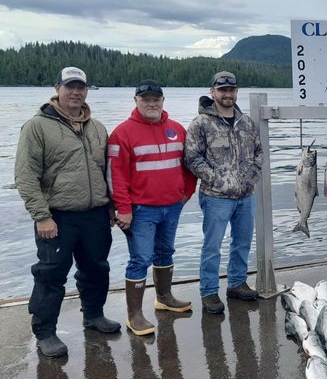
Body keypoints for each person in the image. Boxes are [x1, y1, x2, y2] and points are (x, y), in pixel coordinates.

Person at [15, 67, 120, 357]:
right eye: (70, 86)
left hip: (95, 214)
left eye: (81, 87)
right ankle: (46, 332)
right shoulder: (37, 126)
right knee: (50, 275)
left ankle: (94, 315)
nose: (76, 92)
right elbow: (25, 176)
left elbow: (106, 172)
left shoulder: (97, 127)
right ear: (57, 88)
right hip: (57, 217)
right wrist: (41, 216)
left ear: (87, 91)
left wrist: (111, 206)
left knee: (97, 268)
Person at [107, 80, 197, 336]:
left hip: (172, 206)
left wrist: (186, 193)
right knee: (140, 259)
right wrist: (122, 208)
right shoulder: (122, 133)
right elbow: (116, 176)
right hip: (141, 210)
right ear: (135, 101)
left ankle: (164, 297)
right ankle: (134, 314)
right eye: (145, 99)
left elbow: (189, 166)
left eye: (156, 99)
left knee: (165, 252)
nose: (151, 103)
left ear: (163, 101)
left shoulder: (177, 130)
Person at [184, 71, 263, 314]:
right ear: (213, 92)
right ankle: (209, 292)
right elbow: (192, 158)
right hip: (216, 197)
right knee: (212, 246)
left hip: (245, 196)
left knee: (242, 243)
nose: (227, 94)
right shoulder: (201, 123)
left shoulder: (246, 122)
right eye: (222, 90)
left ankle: (237, 283)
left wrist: (252, 176)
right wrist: (215, 179)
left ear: (236, 92)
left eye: (231, 90)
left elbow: (258, 152)